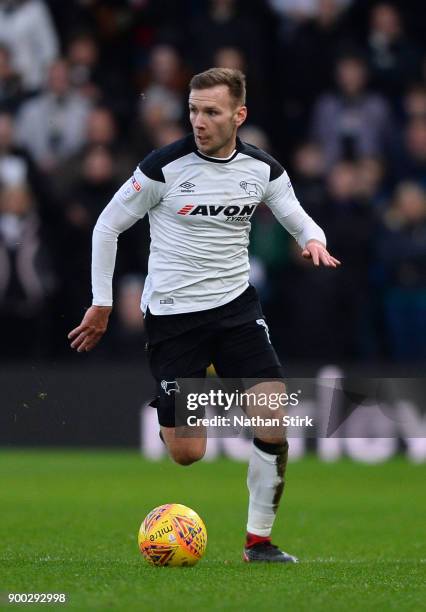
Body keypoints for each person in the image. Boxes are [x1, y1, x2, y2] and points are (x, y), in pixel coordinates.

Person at [68, 68, 340, 563]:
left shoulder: (262, 170)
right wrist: (102, 303)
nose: (198, 121)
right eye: (193, 110)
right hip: (173, 318)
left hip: (236, 309)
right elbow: (107, 226)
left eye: (211, 111)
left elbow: (295, 214)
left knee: (273, 414)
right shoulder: (163, 168)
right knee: (187, 453)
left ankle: (259, 542)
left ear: (239, 116)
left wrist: (314, 240)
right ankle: (175, 397)